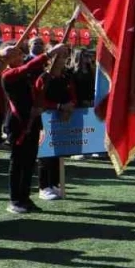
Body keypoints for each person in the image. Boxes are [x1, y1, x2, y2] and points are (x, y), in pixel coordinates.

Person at [0, 43, 67, 214]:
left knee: (29, 163)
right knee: (18, 163)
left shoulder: (26, 74)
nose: (21, 56)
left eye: (21, 54)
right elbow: (30, 66)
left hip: (33, 122)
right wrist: (50, 52)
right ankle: (15, 200)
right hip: (18, 124)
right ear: (7, 58)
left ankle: (25, 198)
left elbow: (39, 85)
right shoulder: (8, 75)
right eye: (16, 54)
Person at [35, 48, 77, 201]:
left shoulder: (66, 77)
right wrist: (59, 106)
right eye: (59, 56)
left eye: (65, 56)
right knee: (46, 153)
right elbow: (39, 100)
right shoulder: (43, 78)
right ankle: (43, 187)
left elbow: (73, 94)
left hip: (62, 119)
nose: (63, 59)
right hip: (45, 120)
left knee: (57, 152)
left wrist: (71, 106)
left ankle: (54, 183)